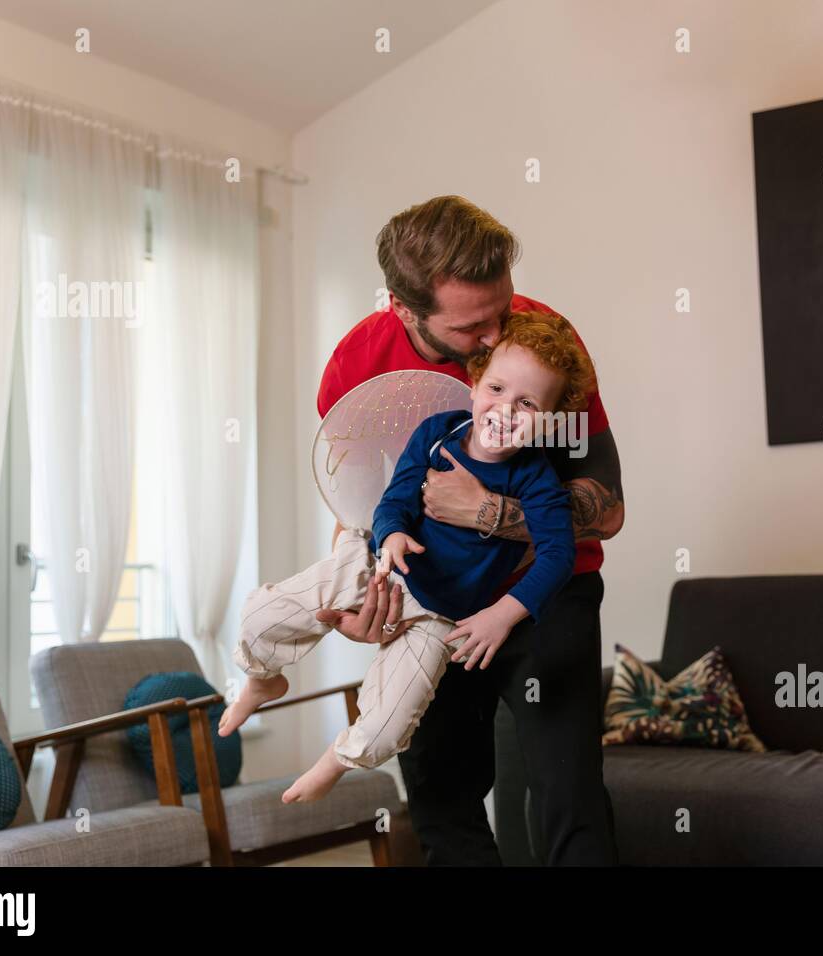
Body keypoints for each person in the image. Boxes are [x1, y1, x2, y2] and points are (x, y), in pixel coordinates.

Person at [310, 195, 623, 865]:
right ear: (402, 308)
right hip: (433, 602)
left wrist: (488, 513)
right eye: (472, 328)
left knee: (568, 794)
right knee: (438, 795)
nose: (494, 340)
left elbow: (610, 505)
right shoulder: (355, 368)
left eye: (501, 312)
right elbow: (358, 509)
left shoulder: (545, 340)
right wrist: (366, 597)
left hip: (546, 592)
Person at [218, 313, 588, 804]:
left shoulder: (537, 481)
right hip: (377, 567)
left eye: (527, 403)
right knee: (259, 619)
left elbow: (559, 557)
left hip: (439, 616)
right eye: (497, 389)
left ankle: (336, 760)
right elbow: (394, 500)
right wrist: (390, 536)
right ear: (475, 384)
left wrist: (502, 616)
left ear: (550, 419)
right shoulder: (436, 433)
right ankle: (263, 681)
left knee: (390, 727)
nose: (506, 410)